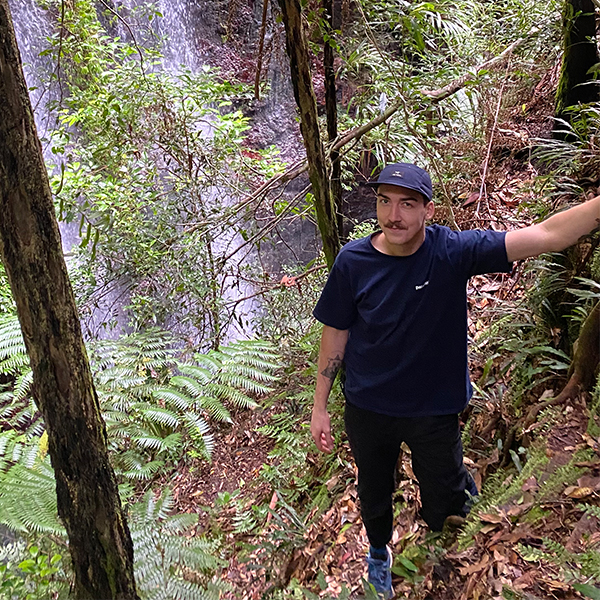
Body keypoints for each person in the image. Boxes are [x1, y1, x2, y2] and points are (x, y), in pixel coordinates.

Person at [311, 162, 600, 598]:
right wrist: (320, 406)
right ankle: (378, 554)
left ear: (428, 209)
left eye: (407, 204)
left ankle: (449, 551)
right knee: (373, 492)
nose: (394, 215)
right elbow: (335, 332)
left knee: (445, 500)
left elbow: (547, 234)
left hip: (434, 411)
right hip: (368, 408)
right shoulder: (354, 261)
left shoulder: (451, 252)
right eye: (384, 202)